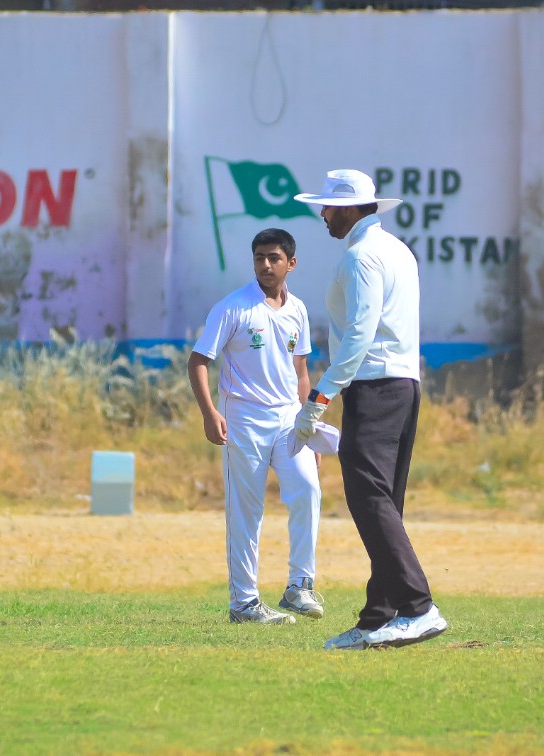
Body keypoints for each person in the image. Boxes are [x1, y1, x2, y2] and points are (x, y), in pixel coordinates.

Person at [292, 169, 447, 650]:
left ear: (350, 208)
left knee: (368, 498)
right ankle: (379, 616)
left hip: (374, 386)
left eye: (328, 207)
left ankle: (418, 607)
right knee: (384, 501)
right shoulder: (397, 249)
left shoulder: (360, 257)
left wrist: (320, 397)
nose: (322, 214)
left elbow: (360, 332)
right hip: (403, 383)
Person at [188, 228, 325, 625]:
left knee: (307, 489)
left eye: (274, 258)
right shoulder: (233, 307)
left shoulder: (298, 310)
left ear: (291, 264)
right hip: (244, 419)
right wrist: (209, 413)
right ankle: (245, 603)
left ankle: (299, 586)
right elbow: (198, 361)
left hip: (289, 419)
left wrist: (309, 426)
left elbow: (301, 371)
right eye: (259, 258)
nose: (265, 265)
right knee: (247, 511)